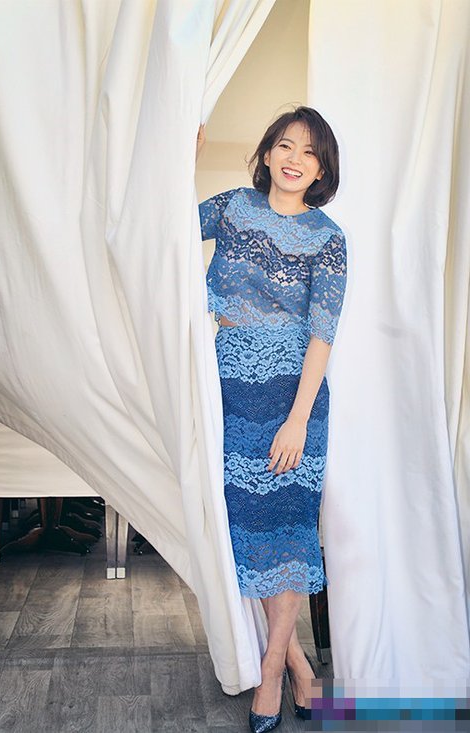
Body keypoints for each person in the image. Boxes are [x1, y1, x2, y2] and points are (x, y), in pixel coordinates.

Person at [196, 106, 347, 732]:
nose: (294, 159)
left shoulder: (329, 237)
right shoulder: (232, 207)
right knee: (246, 534)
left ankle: (273, 673)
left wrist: (298, 419)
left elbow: (322, 335)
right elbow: (158, 229)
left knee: (287, 533)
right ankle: (301, 667)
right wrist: (178, 158)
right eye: (285, 145)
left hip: (294, 398)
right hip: (229, 388)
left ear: (321, 170)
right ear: (265, 153)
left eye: (309, 152)